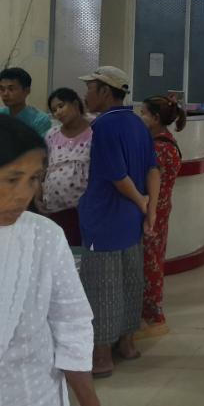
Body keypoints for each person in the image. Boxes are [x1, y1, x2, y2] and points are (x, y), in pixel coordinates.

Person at [0, 115, 101, 406]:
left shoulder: (43, 236)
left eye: (34, 178)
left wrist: (88, 399)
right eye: (12, 179)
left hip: (33, 392)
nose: (24, 194)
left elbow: (70, 321)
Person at [76, 66, 160, 377]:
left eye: (90, 88)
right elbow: (153, 170)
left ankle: (101, 357)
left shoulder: (103, 126)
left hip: (105, 218)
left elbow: (116, 175)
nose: (86, 94)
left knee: (102, 286)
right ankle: (127, 344)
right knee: (129, 281)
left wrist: (140, 200)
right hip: (131, 221)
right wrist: (149, 211)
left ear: (104, 91)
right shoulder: (138, 123)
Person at [138, 94, 186, 339]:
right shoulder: (166, 142)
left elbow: (149, 181)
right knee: (153, 260)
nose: (140, 117)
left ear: (156, 118)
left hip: (152, 212)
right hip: (160, 210)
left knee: (150, 264)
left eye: (144, 113)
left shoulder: (159, 148)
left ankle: (154, 318)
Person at [36, 87, 92, 246]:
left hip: (85, 208)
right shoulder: (52, 134)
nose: (58, 112)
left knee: (83, 251)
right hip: (55, 208)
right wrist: (37, 196)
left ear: (75, 104)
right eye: (54, 110)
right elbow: (42, 167)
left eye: (61, 106)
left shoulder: (95, 130)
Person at [0, 66, 53, 136]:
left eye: (11, 89)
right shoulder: (1, 114)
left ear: (26, 91)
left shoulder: (40, 120)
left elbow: (41, 143)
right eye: (2, 89)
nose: (5, 94)